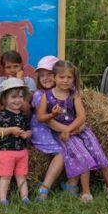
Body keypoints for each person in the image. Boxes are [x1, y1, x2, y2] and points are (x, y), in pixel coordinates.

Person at [37, 60, 108, 202]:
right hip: (62, 135)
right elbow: (40, 117)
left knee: (99, 154)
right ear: (54, 78)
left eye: (69, 77)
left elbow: (82, 116)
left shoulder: (73, 95)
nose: (66, 81)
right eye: (62, 77)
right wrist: (53, 115)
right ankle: (86, 192)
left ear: (74, 79)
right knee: (83, 157)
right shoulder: (47, 96)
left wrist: (69, 129)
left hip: (78, 130)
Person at [31, 55, 79, 201]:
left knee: (76, 147)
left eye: (49, 75)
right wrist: (67, 130)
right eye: (42, 76)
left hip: (60, 130)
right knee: (60, 154)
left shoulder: (66, 94)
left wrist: (71, 129)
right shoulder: (40, 95)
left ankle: (72, 184)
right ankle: (44, 189)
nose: (45, 78)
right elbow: (45, 121)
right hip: (43, 130)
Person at [0, 77, 32, 206]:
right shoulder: (1, 115)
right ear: (4, 99)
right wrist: (10, 130)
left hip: (22, 152)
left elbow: (30, 130)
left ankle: (25, 197)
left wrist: (26, 134)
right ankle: (3, 199)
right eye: (13, 97)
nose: (17, 100)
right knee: (6, 176)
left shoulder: (23, 115)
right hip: (6, 152)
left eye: (20, 97)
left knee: (21, 176)